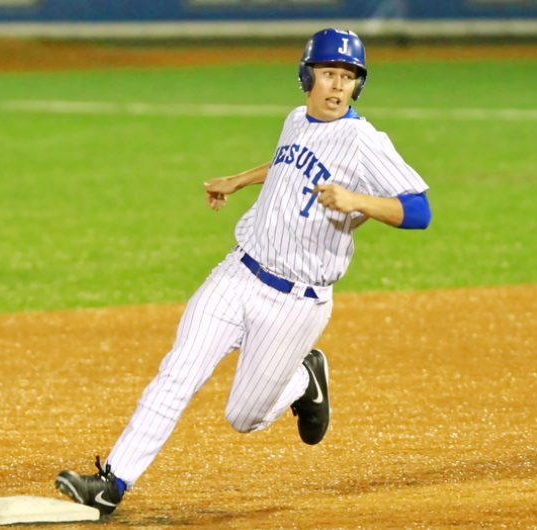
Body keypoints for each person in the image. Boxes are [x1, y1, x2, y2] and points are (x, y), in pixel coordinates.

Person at [55, 28, 431, 515]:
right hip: (238, 273)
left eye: (348, 76)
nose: (338, 85)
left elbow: (419, 211)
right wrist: (238, 180)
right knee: (177, 373)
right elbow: (285, 165)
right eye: (328, 73)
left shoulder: (363, 141)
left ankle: (304, 380)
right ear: (307, 77)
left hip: (297, 301)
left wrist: (357, 200)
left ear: (359, 85)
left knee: (244, 416)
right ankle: (113, 483)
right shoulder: (296, 118)